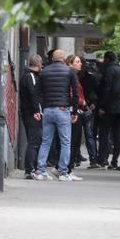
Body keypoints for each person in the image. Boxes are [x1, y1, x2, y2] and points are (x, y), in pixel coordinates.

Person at [35, 48, 83, 181]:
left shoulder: (44, 72)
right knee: (65, 142)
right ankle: (63, 172)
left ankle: (40, 171)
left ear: (52, 59)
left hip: (48, 110)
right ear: (63, 60)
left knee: (46, 142)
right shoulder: (70, 71)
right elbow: (75, 92)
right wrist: (74, 111)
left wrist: (39, 108)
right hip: (63, 110)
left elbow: (37, 92)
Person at [95, 51, 120, 168]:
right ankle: (114, 161)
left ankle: (103, 159)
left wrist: (101, 106)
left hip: (109, 108)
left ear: (107, 59)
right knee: (117, 135)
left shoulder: (108, 70)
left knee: (104, 134)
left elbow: (106, 89)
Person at [64, 53, 92, 168]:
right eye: (77, 62)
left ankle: (68, 167)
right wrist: (82, 102)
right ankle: (67, 167)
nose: (80, 64)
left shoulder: (74, 76)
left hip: (75, 110)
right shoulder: (70, 75)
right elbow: (71, 94)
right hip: (72, 111)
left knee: (74, 141)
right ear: (70, 63)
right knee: (72, 140)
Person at [20, 54, 44, 179]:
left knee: (32, 141)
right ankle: (30, 169)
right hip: (32, 113)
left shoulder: (25, 76)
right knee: (34, 142)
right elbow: (33, 94)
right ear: (38, 65)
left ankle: (30, 169)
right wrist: (37, 111)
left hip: (27, 112)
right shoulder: (31, 76)